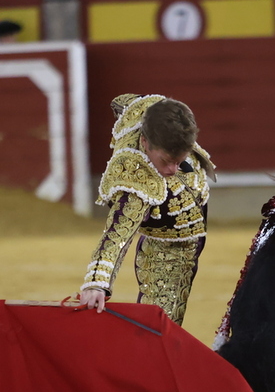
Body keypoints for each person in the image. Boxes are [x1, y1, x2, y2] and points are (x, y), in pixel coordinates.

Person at [78, 94, 215, 326]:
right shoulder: (137, 180)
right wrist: (96, 282)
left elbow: (123, 101)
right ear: (144, 143)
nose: (172, 169)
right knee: (158, 327)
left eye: (179, 160)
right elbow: (117, 235)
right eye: (165, 161)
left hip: (184, 213)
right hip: (171, 244)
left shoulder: (149, 112)